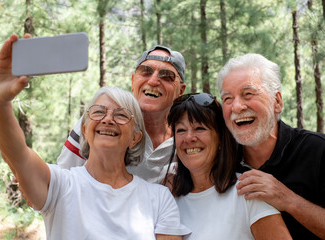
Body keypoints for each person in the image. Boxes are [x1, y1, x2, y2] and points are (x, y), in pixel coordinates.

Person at [0, 34, 191, 239]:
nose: (108, 119)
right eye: (98, 112)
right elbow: (18, 154)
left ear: (136, 137)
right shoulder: (62, 185)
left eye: (120, 115)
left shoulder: (162, 193)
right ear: (84, 130)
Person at [217, 53, 325, 239]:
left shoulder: (317, 150)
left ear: (277, 102)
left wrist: (289, 200)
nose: (236, 107)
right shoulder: (221, 161)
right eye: (227, 99)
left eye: (248, 94)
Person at [164, 92, 292, 239]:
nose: (189, 138)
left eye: (200, 128)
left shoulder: (248, 192)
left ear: (220, 139)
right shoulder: (169, 200)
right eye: (181, 130)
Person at [58, 45, 186, 183]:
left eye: (167, 76)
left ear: (181, 91)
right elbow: (62, 180)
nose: (153, 81)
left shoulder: (188, 135)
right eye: (145, 71)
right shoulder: (99, 121)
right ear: (133, 81)